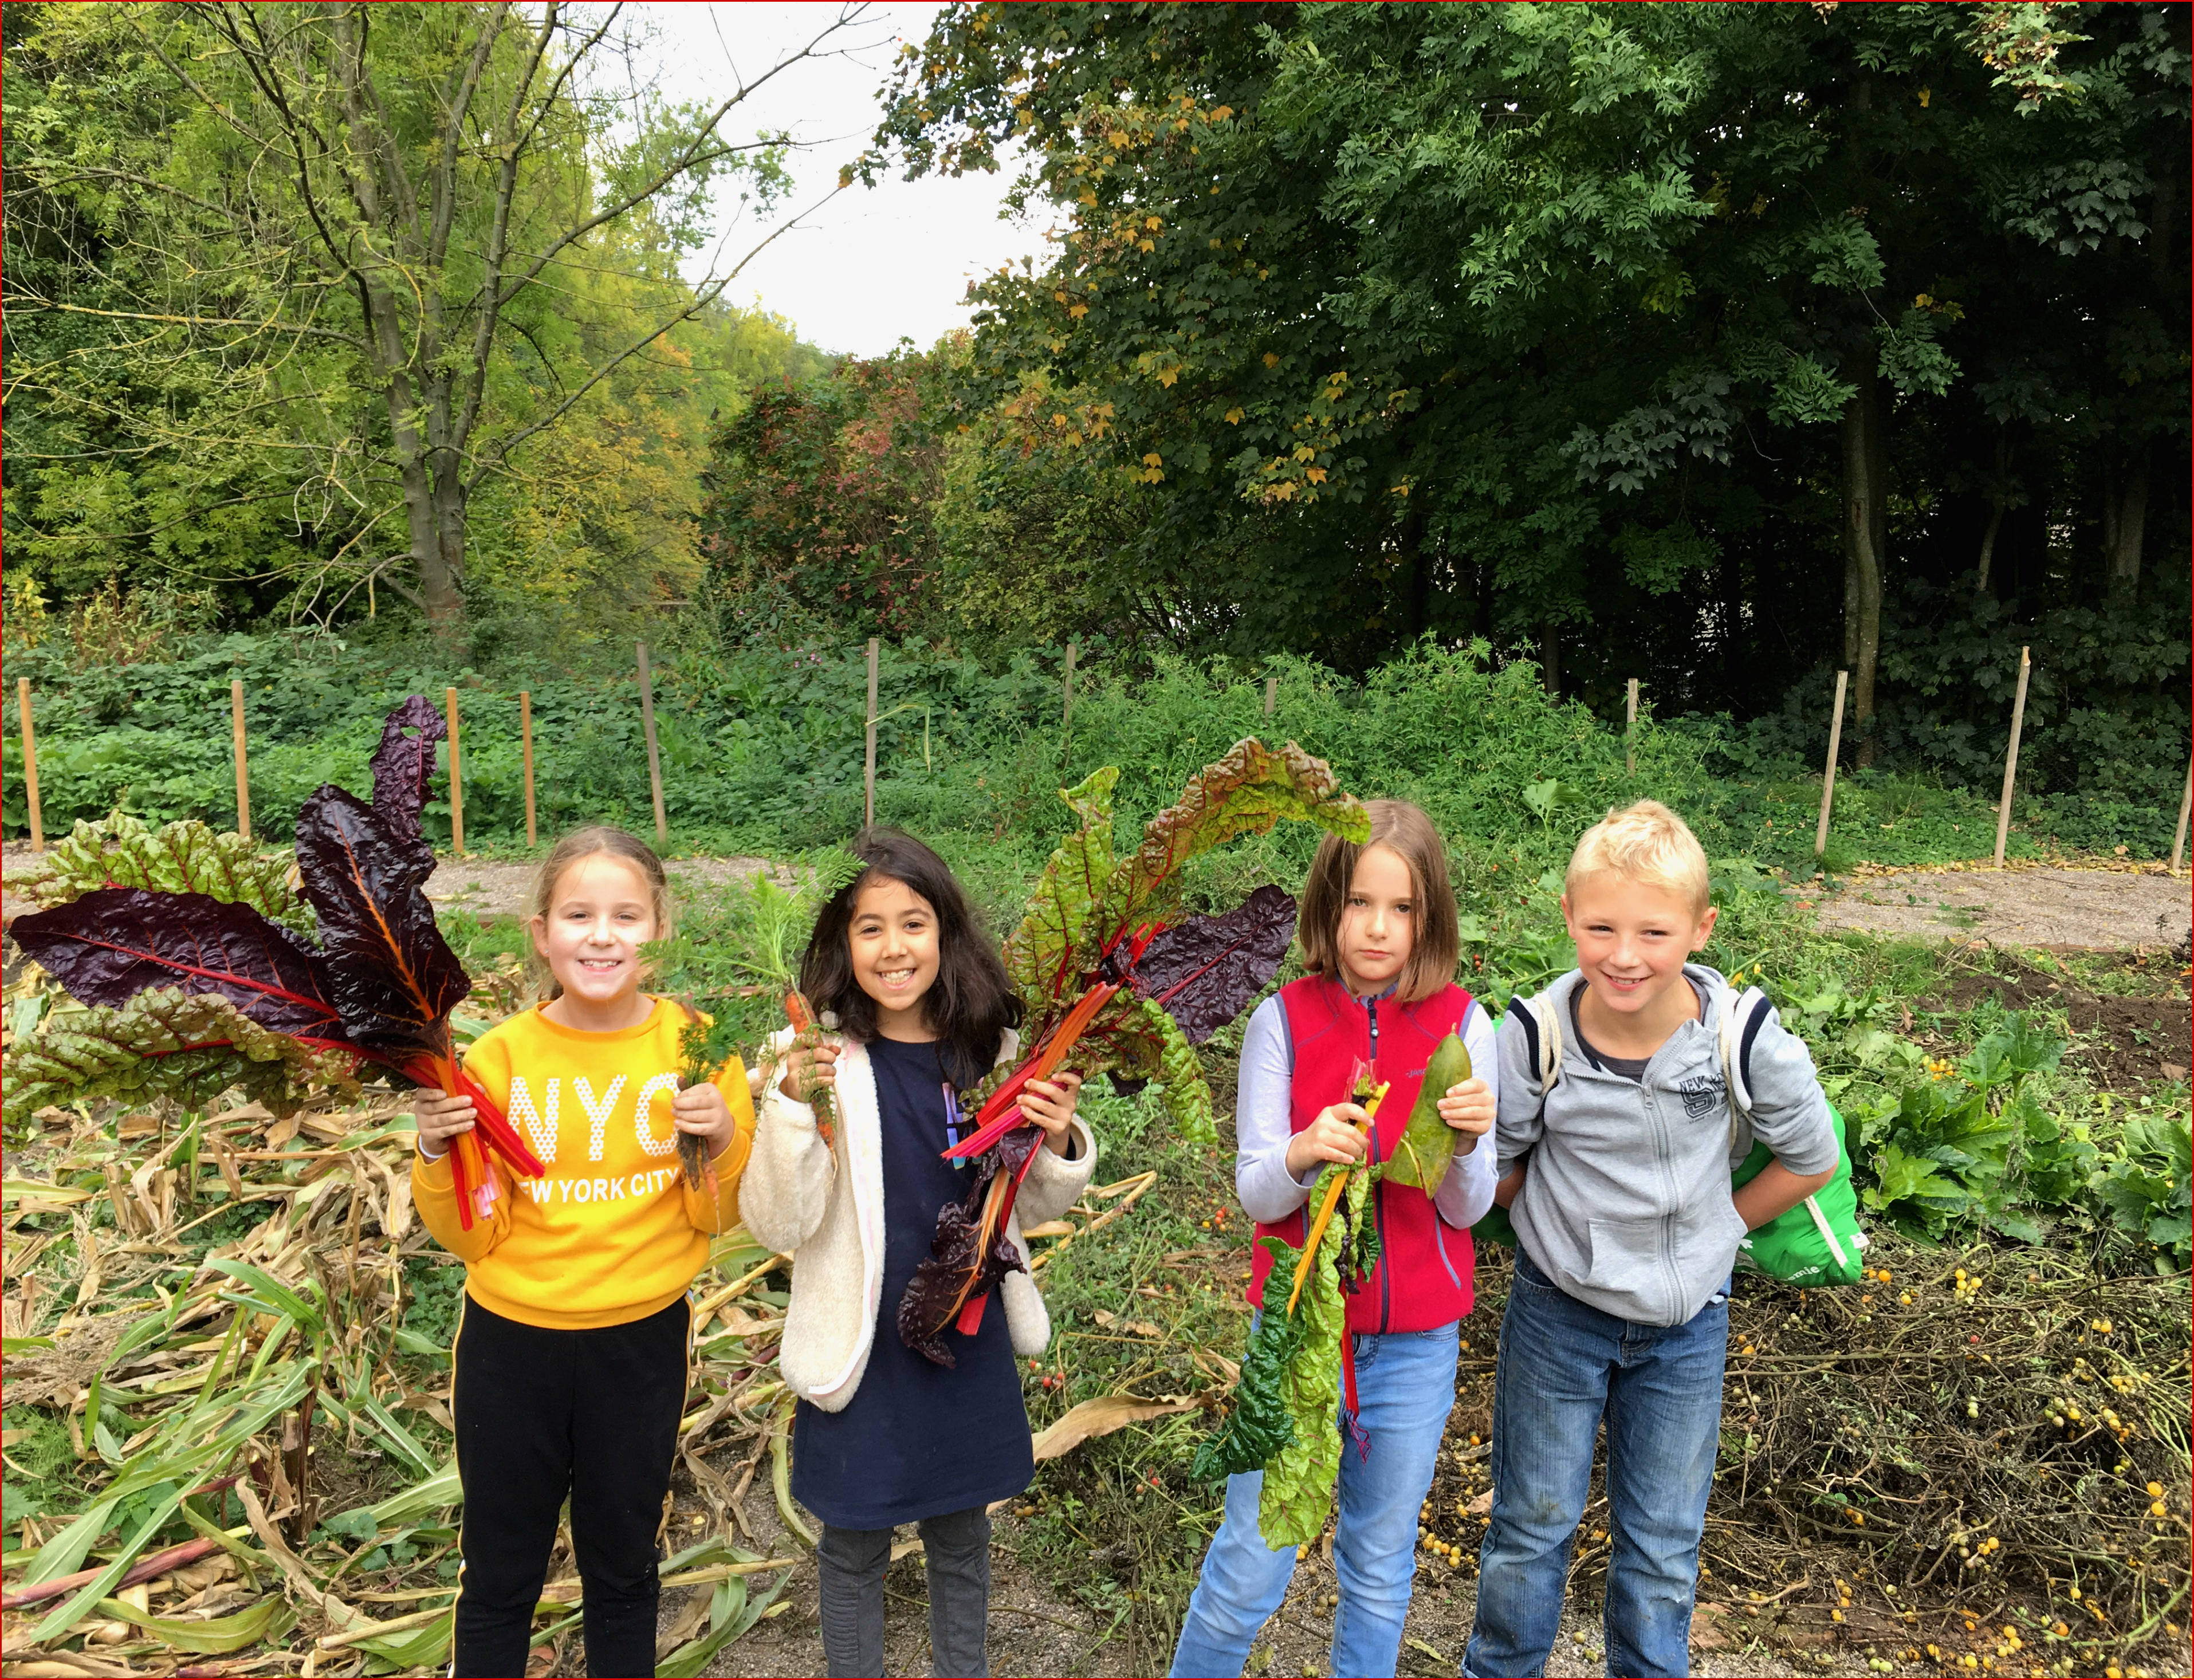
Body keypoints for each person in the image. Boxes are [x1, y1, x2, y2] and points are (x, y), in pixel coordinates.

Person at [1462, 800, 1839, 1679]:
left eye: (1653, 931)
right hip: (1558, 1314)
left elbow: (1812, 1155)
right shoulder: (1533, 1034)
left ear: (1700, 927)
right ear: (1567, 916)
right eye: (1600, 926)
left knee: (1663, 1541)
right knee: (1529, 1524)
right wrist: (1555, 1229)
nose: (1623, 955)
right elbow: (1501, 1165)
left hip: (1686, 1327)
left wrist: (1719, 1226)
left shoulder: (1739, 1037)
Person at [741, 827, 1097, 1679]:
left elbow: (1033, 1202)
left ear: (945, 933)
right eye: (870, 928)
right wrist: (790, 1105)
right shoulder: (815, 1060)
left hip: (960, 1339)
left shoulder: (991, 1055)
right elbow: (777, 1221)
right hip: (862, 1342)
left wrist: (1055, 1137)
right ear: (842, 943)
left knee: (961, 1533)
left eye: (913, 922)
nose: (894, 946)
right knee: (853, 1543)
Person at [412, 826, 753, 1679]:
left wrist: (722, 1139)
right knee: (498, 1571)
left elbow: (719, 1214)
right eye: (578, 913)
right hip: (510, 1345)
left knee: (624, 1563)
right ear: (541, 932)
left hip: (638, 1344)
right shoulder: (495, 1060)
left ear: (658, 927)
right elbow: (470, 1232)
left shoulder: (699, 1049)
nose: (602, 934)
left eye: (625, 914)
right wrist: (429, 1151)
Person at [1171, 800, 1499, 1679]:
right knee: (1250, 1560)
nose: (1379, 928)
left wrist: (1467, 1144)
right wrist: (1305, 1150)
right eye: (1359, 903)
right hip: (1296, 1334)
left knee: (1380, 1567)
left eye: (1402, 909)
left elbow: (1466, 1211)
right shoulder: (1281, 1019)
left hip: (1416, 1346)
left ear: (1429, 918)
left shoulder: (1467, 1028)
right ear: (1328, 906)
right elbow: (1253, 1188)